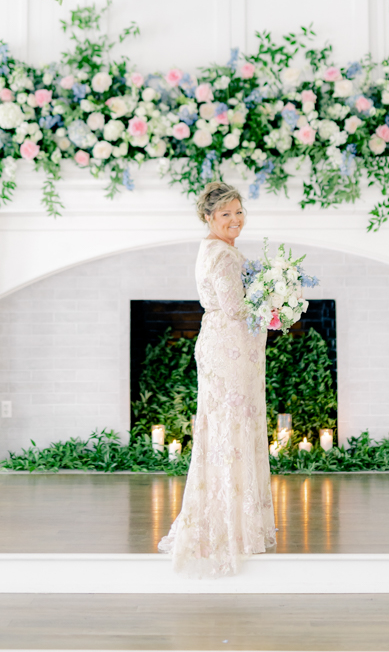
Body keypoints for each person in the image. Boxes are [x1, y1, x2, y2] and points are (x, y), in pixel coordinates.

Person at [158, 181, 276, 577]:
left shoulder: (216, 249)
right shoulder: (222, 255)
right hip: (229, 349)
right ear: (208, 217)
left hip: (226, 345)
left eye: (239, 212)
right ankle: (229, 528)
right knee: (231, 428)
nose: (235, 220)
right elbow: (235, 306)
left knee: (227, 427)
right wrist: (274, 301)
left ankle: (235, 522)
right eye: (226, 214)